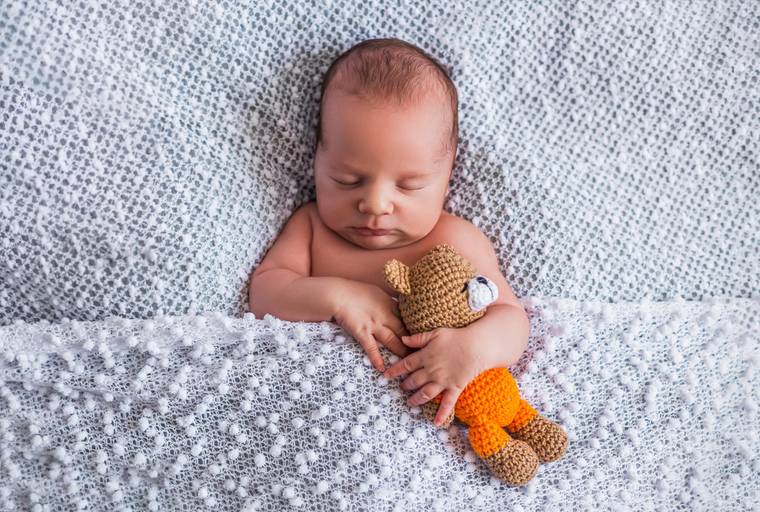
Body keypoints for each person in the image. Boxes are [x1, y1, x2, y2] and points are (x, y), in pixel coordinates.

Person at [249, 38, 529, 426]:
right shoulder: (311, 228)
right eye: (347, 180)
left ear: (448, 174)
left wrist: (471, 349)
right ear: (317, 160)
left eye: (409, 185)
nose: (376, 204)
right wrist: (338, 296)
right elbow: (265, 293)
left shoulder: (453, 240)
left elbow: (511, 319)